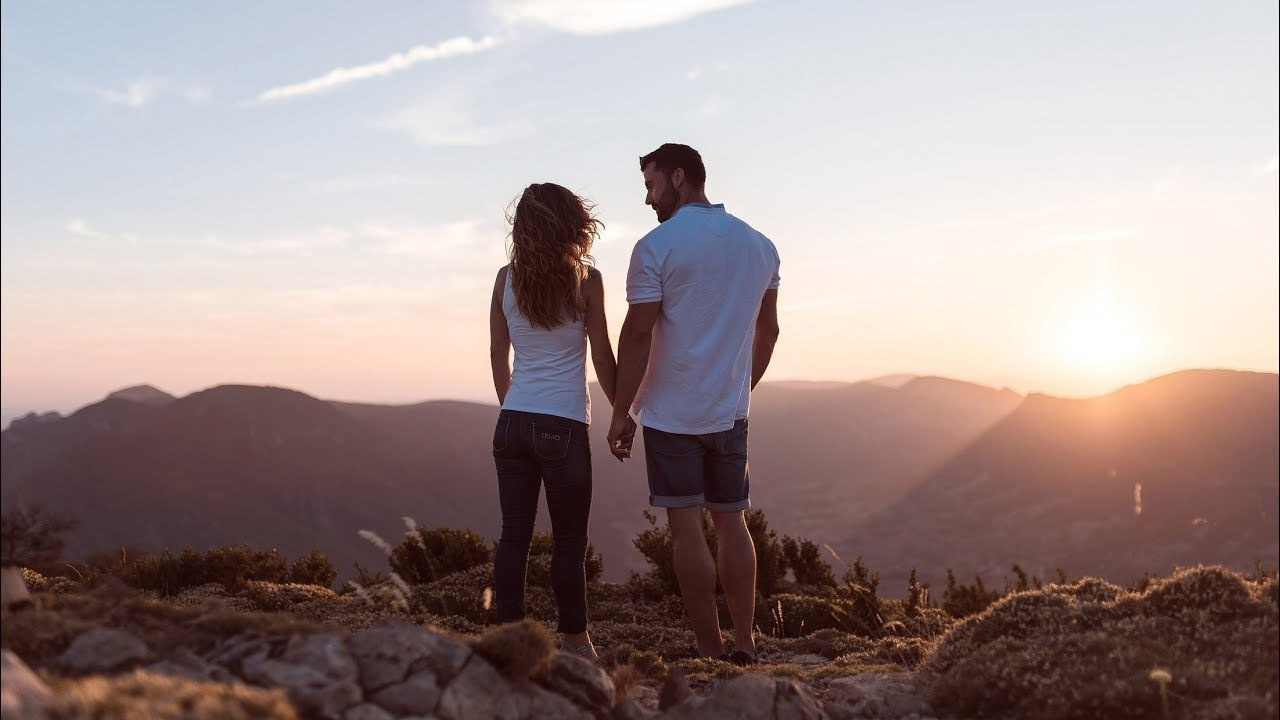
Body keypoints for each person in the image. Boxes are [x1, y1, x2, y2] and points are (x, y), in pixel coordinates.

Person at [607, 143, 781, 664]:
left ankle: (710, 650)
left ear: (679, 178)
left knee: (685, 527)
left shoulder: (655, 247)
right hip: (729, 412)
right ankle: (746, 645)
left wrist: (622, 411)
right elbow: (768, 330)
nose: (647, 198)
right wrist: (741, 389)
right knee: (733, 521)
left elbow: (637, 335)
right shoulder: (761, 246)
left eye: (651, 185)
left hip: (670, 414)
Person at [489, 182, 628, 661]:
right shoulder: (586, 280)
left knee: (514, 536)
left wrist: (515, 408)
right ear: (572, 224)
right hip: (563, 426)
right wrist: (620, 414)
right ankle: (575, 643)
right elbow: (603, 358)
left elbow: (497, 356)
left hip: (511, 423)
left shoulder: (504, 279)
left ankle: (509, 640)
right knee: (569, 543)